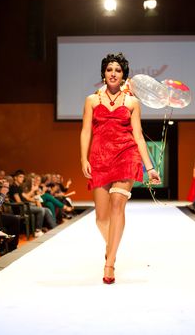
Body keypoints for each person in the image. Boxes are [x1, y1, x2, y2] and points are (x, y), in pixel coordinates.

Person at [80, 53, 161, 284]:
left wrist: (150, 167)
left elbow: (138, 136)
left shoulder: (132, 102)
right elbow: (86, 131)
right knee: (100, 219)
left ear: (123, 74)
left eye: (117, 69)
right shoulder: (92, 100)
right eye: (109, 69)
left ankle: (109, 263)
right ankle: (112, 244)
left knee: (118, 204)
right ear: (103, 74)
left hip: (126, 155)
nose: (113, 73)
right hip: (99, 158)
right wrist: (83, 159)